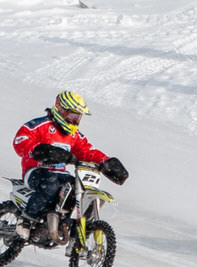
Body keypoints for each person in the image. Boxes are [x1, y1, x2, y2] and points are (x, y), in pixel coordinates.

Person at [11, 90, 125, 236]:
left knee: (77, 189)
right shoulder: (40, 125)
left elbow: (87, 151)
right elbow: (20, 140)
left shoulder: (74, 135)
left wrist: (106, 161)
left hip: (60, 174)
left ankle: (72, 227)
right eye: (72, 115)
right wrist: (39, 150)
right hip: (35, 171)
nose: (75, 120)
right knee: (51, 184)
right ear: (60, 110)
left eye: (78, 117)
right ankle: (26, 220)